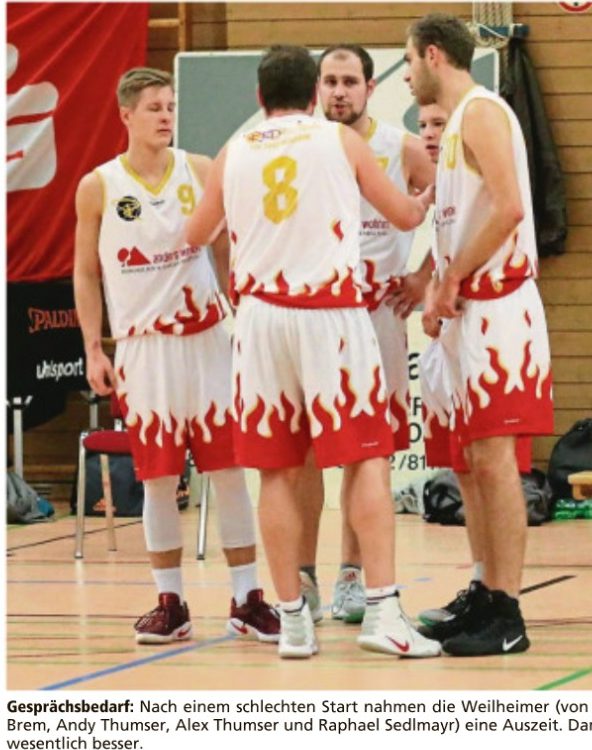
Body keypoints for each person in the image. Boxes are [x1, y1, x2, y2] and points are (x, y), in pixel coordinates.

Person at [186, 45, 440, 659]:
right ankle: (382, 611)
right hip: (329, 314)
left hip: (260, 320)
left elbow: (195, 234)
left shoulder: (234, 151)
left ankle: (293, 618)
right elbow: (406, 216)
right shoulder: (340, 141)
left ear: (259, 97)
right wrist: (439, 194)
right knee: (368, 457)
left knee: (276, 470)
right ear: (313, 94)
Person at [73, 67, 279, 646]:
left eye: (170, 106)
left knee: (230, 472)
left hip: (207, 340)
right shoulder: (99, 185)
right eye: (154, 108)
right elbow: (86, 273)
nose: (166, 116)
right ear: (126, 115)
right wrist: (92, 347)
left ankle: (247, 598)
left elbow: (226, 246)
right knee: (159, 479)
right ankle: (171, 602)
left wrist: (243, 310)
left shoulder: (200, 169)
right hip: (143, 349)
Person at [404, 14, 554, 656]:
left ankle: (508, 612)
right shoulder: (458, 123)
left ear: (434, 55)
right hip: (467, 312)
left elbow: (511, 206)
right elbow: (462, 221)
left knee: (495, 462)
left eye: (409, 60)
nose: (407, 74)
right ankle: (486, 591)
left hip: (499, 310)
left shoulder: (483, 112)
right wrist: (436, 281)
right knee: (470, 461)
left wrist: (452, 277)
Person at [295, 45, 435, 626]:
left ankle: (352, 575)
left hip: (375, 316)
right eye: (329, 81)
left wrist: (425, 276)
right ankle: (301, 576)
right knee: (302, 450)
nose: (338, 91)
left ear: (371, 88)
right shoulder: (299, 147)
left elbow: (455, 208)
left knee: (367, 451)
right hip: (312, 316)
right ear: (316, 88)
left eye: (349, 81)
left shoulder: (401, 148)